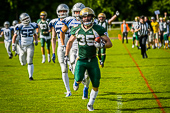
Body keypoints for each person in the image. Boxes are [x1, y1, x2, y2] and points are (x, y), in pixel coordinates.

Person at [64, 7, 112, 111]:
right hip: (81, 59)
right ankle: (76, 82)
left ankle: (90, 104)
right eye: (84, 17)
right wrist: (66, 55)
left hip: (93, 60)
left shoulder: (97, 28)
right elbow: (70, 42)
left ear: (92, 17)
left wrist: (101, 45)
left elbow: (109, 43)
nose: (86, 18)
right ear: (81, 18)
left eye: (89, 16)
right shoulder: (76, 29)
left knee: (96, 82)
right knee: (78, 79)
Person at [60, 3, 91, 99]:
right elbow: (62, 31)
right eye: (76, 12)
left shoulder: (88, 20)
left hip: (86, 47)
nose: (77, 14)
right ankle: (77, 80)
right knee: (74, 65)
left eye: (79, 12)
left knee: (87, 73)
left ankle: (86, 88)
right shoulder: (69, 20)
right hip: (74, 46)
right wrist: (63, 45)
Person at [50, 4, 71, 97]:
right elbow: (53, 38)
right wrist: (53, 52)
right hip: (61, 47)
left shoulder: (71, 20)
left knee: (74, 66)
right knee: (63, 69)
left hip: (72, 47)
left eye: (64, 11)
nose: (62, 13)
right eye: (61, 11)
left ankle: (79, 81)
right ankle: (68, 91)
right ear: (58, 12)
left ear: (68, 11)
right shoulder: (54, 22)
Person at [12, 13, 38, 80]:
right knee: (23, 62)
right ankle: (22, 61)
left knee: (30, 60)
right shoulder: (19, 26)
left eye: (27, 18)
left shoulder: (32, 25)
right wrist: (13, 45)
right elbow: (14, 36)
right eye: (24, 19)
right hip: (22, 46)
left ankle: (30, 76)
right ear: (21, 20)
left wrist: (36, 40)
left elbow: (35, 34)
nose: (26, 20)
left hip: (30, 45)